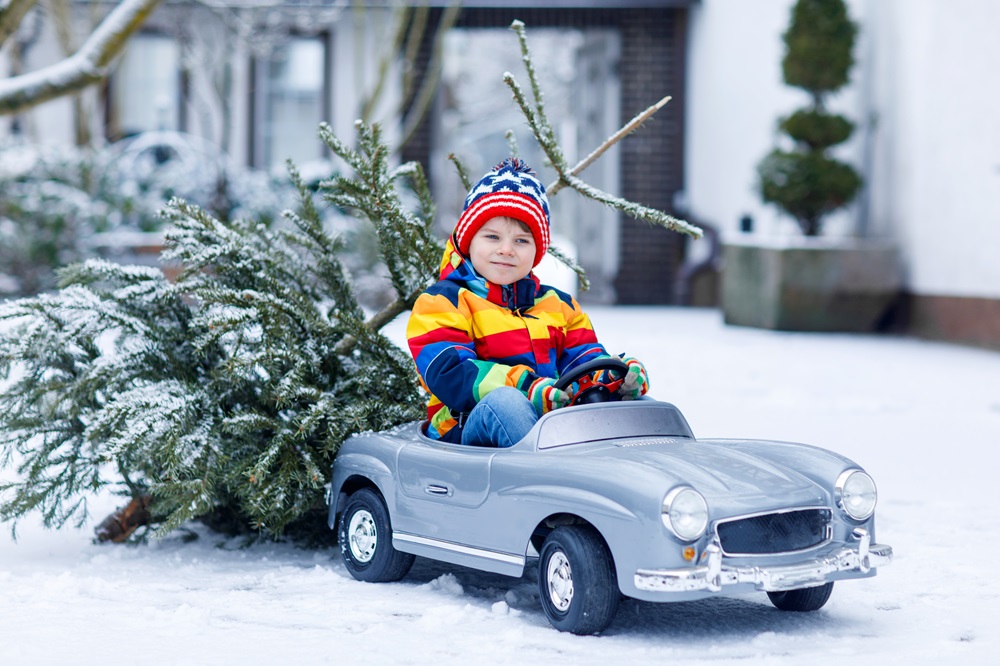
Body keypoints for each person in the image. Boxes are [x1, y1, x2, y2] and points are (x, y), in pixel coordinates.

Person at [406, 157, 649, 447]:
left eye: (522, 241)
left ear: (536, 250)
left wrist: (613, 376)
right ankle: (548, 483)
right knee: (507, 403)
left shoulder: (559, 306)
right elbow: (449, 372)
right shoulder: (443, 302)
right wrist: (525, 386)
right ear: (468, 241)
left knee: (640, 408)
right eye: (492, 237)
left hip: (553, 429)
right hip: (466, 431)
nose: (506, 250)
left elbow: (583, 359)